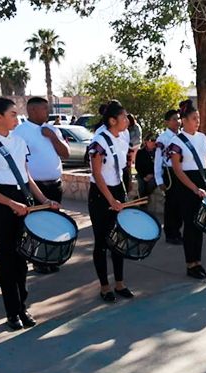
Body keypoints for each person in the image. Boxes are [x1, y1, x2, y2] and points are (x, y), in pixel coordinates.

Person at [0, 97, 59, 330]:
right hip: (1, 205)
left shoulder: (20, 141)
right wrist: (10, 203)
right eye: (12, 113)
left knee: (22, 259)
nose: (16, 118)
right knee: (7, 261)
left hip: (22, 201)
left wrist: (44, 199)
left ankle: (23, 306)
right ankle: (12, 312)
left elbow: (26, 176)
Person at [168, 99, 206, 279]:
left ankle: (198, 262)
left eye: (198, 118)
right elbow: (177, 170)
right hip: (187, 185)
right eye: (194, 118)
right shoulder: (177, 142)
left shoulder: (202, 137)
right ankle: (190, 264)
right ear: (184, 121)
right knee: (190, 225)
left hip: (202, 182)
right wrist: (194, 188)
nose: (198, 121)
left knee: (200, 225)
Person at [14, 97, 70, 274]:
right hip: (35, 187)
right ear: (32, 111)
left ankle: (50, 257)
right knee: (37, 225)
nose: (48, 112)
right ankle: (37, 260)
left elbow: (66, 154)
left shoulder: (52, 129)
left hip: (55, 185)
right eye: (44, 109)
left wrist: (53, 137)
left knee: (53, 223)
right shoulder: (20, 131)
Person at [87, 100, 134, 303]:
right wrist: (111, 199)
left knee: (119, 239)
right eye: (123, 117)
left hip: (116, 189)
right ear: (112, 120)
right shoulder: (99, 141)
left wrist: (122, 192)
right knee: (102, 242)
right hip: (100, 193)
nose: (127, 120)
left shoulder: (121, 137)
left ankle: (120, 283)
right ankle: (105, 287)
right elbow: (97, 174)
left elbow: (123, 166)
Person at [155, 110, 183, 245]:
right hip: (169, 173)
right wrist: (159, 179)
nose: (177, 122)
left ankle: (177, 231)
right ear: (166, 122)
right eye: (173, 119)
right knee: (171, 204)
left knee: (179, 204)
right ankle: (170, 233)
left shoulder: (182, 136)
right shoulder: (163, 138)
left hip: (181, 172)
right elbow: (158, 161)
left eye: (178, 119)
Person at [135, 132, 157, 198]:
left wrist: (152, 174)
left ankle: (145, 198)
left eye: (155, 140)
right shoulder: (140, 152)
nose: (154, 142)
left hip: (154, 174)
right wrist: (144, 176)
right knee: (141, 184)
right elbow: (138, 166)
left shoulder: (158, 152)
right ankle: (142, 200)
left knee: (151, 183)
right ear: (146, 141)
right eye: (151, 140)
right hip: (143, 175)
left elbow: (159, 166)